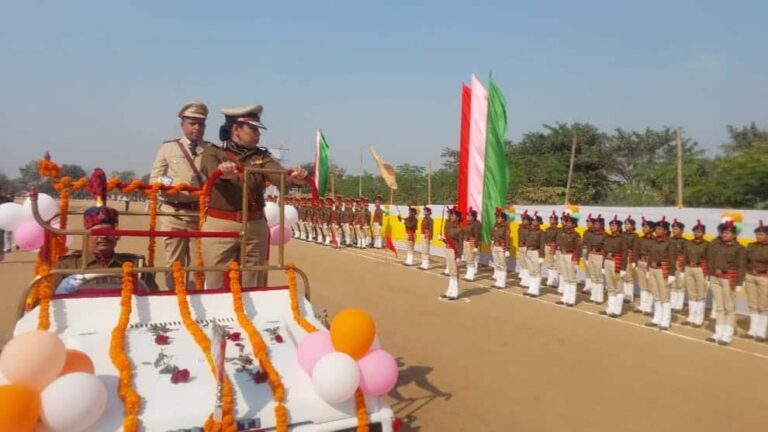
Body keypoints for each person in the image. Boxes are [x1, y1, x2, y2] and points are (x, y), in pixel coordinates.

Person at [199, 104, 308, 289]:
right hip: (221, 224)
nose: (258, 134)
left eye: (258, 129)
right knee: (216, 282)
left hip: (255, 226)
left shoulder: (263, 156)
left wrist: (293, 178)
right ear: (235, 129)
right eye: (253, 129)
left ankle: (249, 317)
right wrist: (223, 172)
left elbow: (278, 174)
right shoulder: (213, 152)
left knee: (253, 283)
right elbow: (212, 173)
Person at [54, 171, 158, 293]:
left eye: (109, 232)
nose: (103, 236)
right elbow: (44, 302)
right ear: (86, 235)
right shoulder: (66, 266)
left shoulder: (135, 265)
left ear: (116, 235)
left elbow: (153, 296)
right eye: (97, 232)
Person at [150, 101, 214, 289]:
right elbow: (156, 177)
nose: (197, 128)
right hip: (173, 213)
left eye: (200, 124)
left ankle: (196, 301)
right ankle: (174, 298)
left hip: (199, 215)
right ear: (182, 125)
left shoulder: (211, 151)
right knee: (174, 263)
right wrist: (177, 186)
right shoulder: (168, 148)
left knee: (198, 264)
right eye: (192, 123)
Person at [707, 221, 746, 345]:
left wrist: (740, 283)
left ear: (734, 235)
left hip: (729, 278)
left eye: (728, 233)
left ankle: (727, 334)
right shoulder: (716, 245)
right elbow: (710, 261)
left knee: (729, 307)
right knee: (719, 306)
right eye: (723, 232)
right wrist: (709, 276)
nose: (725, 234)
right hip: (715, 277)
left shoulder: (739, 248)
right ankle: (718, 332)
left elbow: (741, 265)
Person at [644, 219, 675, 331]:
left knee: (664, 296)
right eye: (656, 228)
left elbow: (672, 258)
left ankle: (665, 321)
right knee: (656, 295)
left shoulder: (670, 243)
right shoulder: (653, 241)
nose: (657, 230)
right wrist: (648, 270)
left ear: (666, 231)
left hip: (663, 270)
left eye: (659, 229)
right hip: (652, 269)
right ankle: (657, 318)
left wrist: (672, 274)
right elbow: (649, 256)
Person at [683, 220, 709, 327]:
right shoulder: (688, 243)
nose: (697, 233)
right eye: (695, 231)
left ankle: (699, 318)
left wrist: (707, 274)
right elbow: (685, 256)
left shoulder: (707, 244)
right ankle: (691, 316)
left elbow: (709, 259)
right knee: (691, 293)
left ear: (703, 233)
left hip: (700, 269)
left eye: (699, 232)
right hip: (689, 268)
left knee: (700, 294)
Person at [744, 220, 768, 341]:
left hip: (764, 278)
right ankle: (752, 330)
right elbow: (745, 260)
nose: (758, 236)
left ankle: (761, 332)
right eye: (757, 234)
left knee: (763, 305)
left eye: (761, 234)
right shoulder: (751, 246)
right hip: (750, 277)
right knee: (752, 304)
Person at [600, 216, 628, 317]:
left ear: (619, 227)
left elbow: (625, 253)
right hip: (607, 261)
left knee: (619, 288)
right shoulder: (608, 237)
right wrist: (603, 265)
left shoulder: (622, 238)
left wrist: (623, 268)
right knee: (610, 287)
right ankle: (610, 309)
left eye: (614, 225)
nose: (612, 227)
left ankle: (617, 310)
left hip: (617, 263)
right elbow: (604, 252)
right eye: (611, 225)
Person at [555, 213, 581, 307]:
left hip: (571, 256)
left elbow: (578, 248)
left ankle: (571, 299)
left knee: (572, 278)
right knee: (565, 277)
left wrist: (576, 260)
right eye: (566, 222)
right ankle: (565, 298)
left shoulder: (576, 235)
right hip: (563, 255)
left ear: (574, 224)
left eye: (570, 223)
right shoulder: (563, 233)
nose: (567, 224)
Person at [440, 207, 464, 300]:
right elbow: (448, 241)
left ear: (457, 218)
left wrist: (459, 256)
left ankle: (455, 291)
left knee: (454, 272)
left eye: (453, 215)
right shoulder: (449, 227)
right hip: (448, 249)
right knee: (450, 271)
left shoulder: (460, 230)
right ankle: (449, 290)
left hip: (454, 252)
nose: (451, 216)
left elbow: (460, 244)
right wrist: (443, 239)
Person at [634, 218, 656, 315]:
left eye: (646, 226)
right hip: (641, 262)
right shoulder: (640, 239)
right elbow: (636, 251)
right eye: (643, 226)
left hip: (649, 264)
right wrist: (635, 262)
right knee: (642, 286)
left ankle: (649, 306)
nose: (644, 228)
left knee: (650, 286)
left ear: (651, 229)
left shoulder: (655, 240)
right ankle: (643, 305)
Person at [585, 215, 606, 304]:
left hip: (599, 255)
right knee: (593, 276)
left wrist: (604, 262)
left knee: (599, 277)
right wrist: (587, 256)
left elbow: (606, 248)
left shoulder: (605, 235)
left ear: (601, 225)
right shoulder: (591, 234)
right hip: (591, 255)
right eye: (595, 224)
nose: (595, 225)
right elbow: (589, 245)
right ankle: (593, 296)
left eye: (597, 224)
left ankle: (599, 297)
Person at [524, 213, 546, 297]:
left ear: (539, 223)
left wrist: (541, 256)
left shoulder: (541, 232)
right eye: (533, 220)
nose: (533, 222)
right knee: (531, 271)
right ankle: (531, 289)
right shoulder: (530, 231)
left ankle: (536, 290)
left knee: (536, 271)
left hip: (536, 252)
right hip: (529, 251)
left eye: (535, 221)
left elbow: (542, 244)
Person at [670, 219, 687, 312]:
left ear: (681, 230)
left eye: (676, 229)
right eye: (673, 229)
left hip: (679, 264)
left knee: (680, 285)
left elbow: (685, 255)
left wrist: (682, 266)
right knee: (673, 284)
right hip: (670, 264)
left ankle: (679, 305)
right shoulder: (669, 240)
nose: (674, 231)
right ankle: (672, 303)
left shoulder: (685, 242)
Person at [621, 215, 639, 304]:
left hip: (629, 257)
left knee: (629, 277)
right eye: (625, 224)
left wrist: (634, 261)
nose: (626, 226)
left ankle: (629, 295)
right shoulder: (622, 234)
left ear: (632, 226)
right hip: (621, 257)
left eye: (628, 224)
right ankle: (623, 294)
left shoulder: (635, 236)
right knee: (623, 276)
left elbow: (635, 248)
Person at [491, 208, 510, 289]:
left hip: (502, 247)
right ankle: (498, 281)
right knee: (497, 264)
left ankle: (502, 282)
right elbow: (493, 235)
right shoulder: (495, 226)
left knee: (502, 265)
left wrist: (507, 249)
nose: (497, 219)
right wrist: (492, 243)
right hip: (495, 246)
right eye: (497, 218)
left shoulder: (506, 227)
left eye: (499, 218)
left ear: (503, 219)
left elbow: (507, 238)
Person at [462, 208, 481, 281]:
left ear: (473, 217)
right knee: (467, 258)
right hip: (466, 242)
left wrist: (476, 246)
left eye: (469, 216)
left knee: (471, 259)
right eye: (467, 215)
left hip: (472, 242)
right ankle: (468, 273)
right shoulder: (468, 224)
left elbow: (477, 235)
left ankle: (471, 274)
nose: (467, 217)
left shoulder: (475, 224)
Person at [544, 211, 561, 289]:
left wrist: (555, 248)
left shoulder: (559, 230)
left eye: (553, 219)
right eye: (551, 219)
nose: (552, 221)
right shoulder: (547, 229)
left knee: (555, 265)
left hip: (554, 247)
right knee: (549, 264)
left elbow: (558, 240)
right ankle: (549, 280)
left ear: (557, 221)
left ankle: (555, 281)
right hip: (547, 246)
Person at [517, 211, 531, 287]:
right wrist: (519, 245)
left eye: (525, 220)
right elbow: (519, 237)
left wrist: (526, 244)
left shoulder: (530, 228)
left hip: (527, 247)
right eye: (523, 219)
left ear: (529, 221)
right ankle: (524, 279)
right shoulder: (521, 228)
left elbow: (531, 238)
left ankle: (527, 280)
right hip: (521, 247)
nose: (523, 221)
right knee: (523, 263)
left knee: (527, 264)